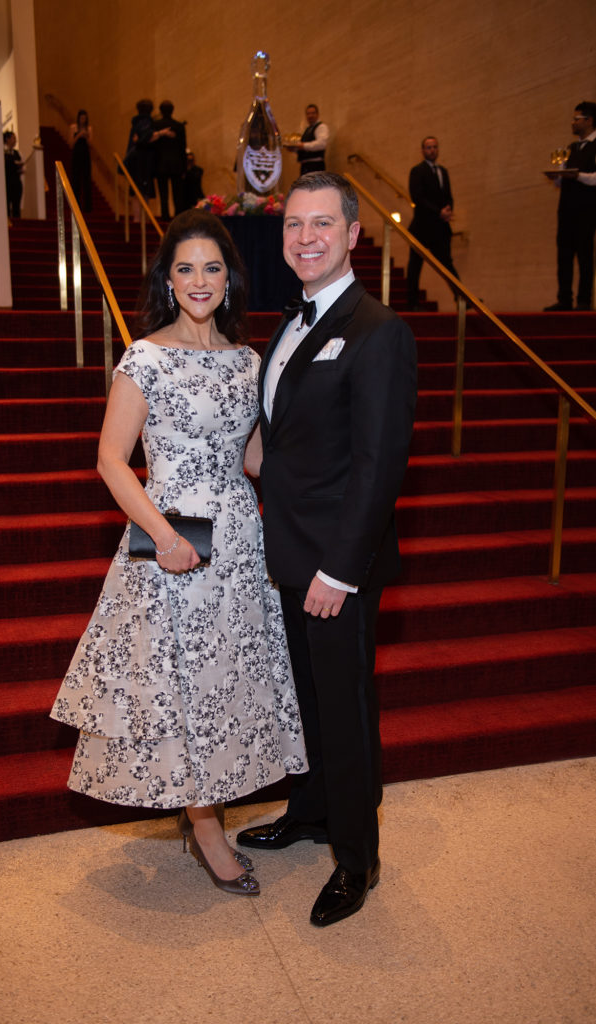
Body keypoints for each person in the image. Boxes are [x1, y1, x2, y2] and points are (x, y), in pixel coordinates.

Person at [50, 209, 307, 898]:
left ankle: (209, 810)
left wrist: (319, 483)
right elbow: (109, 461)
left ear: (230, 278)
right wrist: (162, 537)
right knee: (181, 683)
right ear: (168, 279)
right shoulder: (145, 355)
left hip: (236, 537)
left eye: (213, 268)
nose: (200, 280)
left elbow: (251, 458)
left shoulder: (246, 359)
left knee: (226, 677)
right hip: (168, 530)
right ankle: (206, 826)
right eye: (186, 268)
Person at [236, 172, 417, 927]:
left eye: (321, 224)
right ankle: (311, 810)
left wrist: (339, 571)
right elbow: (285, 441)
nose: (304, 237)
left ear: (351, 235)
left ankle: (356, 857)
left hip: (335, 565)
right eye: (292, 226)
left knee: (342, 709)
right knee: (308, 699)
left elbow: (379, 465)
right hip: (291, 552)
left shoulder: (379, 331)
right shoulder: (290, 323)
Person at [544, 101, 596, 311]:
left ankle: (584, 301)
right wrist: (557, 174)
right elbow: (561, 182)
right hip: (566, 209)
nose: (573, 123)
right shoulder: (571, 148)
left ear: (590, 120)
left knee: (585, 255)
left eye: (577, 119)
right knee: (563, 255)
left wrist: (577, 175)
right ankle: (564, 299)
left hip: (586, 209)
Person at [406, 136, 461, 310]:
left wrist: (448, 210)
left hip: (440, 228)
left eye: (435, 147)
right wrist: (439, 212)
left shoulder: (443, 171)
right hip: (422, 227)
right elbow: (417, 197)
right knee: (415, 266)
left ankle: (460, 298)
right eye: (429, 147)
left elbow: (448, 195)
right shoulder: (417, 171)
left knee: (447, 264)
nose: (432, 150)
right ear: (423, 150)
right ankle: (412, 302)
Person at [153, 100, 187, 220]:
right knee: (177, 194)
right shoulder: (178, 126)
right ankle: (178, 217)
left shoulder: (156, 126)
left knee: (163, 194)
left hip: (160, 164)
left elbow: (153, 148)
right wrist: (184, 167)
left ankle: (165, 216)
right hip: (177, 164)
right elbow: (183, 148)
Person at [284, 104, 329, 176]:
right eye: (308, 114)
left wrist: (302, 145)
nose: (310, 116)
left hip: (315, 166)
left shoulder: (321, 127)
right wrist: (294, 149)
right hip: (305, 166)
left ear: (317, 114)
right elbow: (304, 148)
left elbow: (321, 144)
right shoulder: (307, 129)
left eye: (313, 113)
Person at [70, 109, 92, 212]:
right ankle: (76, 204)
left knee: (86, 178)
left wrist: (86, 136)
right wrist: (79, 135)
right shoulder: (73, 128)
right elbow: (71, 143)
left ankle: (87, 206)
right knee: (76, 179)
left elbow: (90, 144)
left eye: (85, 117)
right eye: (82, 117)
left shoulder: (89, 129)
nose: (83, 119)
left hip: (85, 154)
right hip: (76, 154)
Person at [3, 131, 24, 220]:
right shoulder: (2, 152)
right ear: (7, 139)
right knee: (6, 205)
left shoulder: (17, 153)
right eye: (13, 138)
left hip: (16, 182)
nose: (15, 140)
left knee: (16, 205)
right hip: (7, 182)